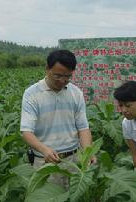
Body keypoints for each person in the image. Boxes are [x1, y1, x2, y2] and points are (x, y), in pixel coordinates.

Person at [20, 49, 96, 187]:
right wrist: (44, 149)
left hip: (74, 160)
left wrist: (88, 151)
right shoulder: (32, 94)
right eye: (58, 76)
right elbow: (26, 132)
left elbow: (83, 128)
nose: (62, 81)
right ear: (47, 69)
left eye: (67, 76)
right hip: (46, 162)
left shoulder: (76, 93)